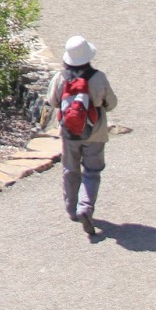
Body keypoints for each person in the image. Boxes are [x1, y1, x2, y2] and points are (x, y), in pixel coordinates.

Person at [46, 35, 117, 236]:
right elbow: (111, 103)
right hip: (95, 133)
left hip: (69, 134)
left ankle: (71, 208)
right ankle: (85, 207)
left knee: (70, 169)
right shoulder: (99, 78)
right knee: (92, 171)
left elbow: (52, 101)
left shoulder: (61, 78)